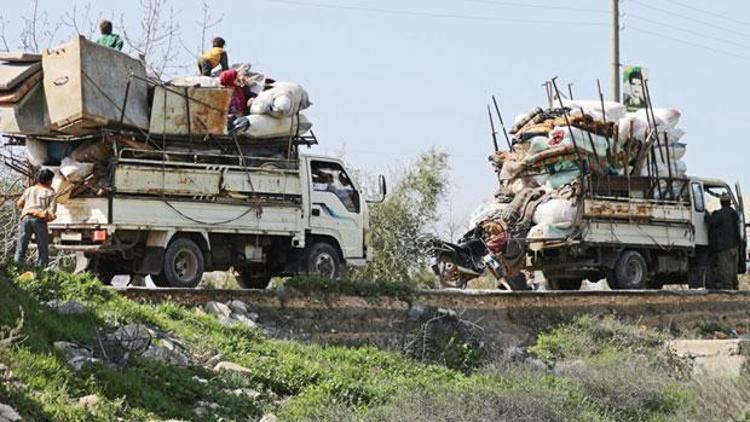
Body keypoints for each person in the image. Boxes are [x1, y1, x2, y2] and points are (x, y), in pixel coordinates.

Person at [14, 169, 57, 267]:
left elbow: (19, 204)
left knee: (21, 246)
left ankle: (16, 268)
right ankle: (41, 272)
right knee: (42, 249)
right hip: (39, 221)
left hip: (25, 219)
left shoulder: (29, 190)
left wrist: (28, 206)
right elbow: (52, 212)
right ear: (49, 181)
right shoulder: (51, 193)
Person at [705, 193, 741, 289]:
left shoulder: (720, 214)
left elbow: (709, 221)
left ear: (721, 202)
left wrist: (706, 213)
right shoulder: (734, 213)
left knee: (725, 269)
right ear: (729, 202)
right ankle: (735, 288)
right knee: (734, 269)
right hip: (735, 246)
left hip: (724, 247)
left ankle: (729, 290)